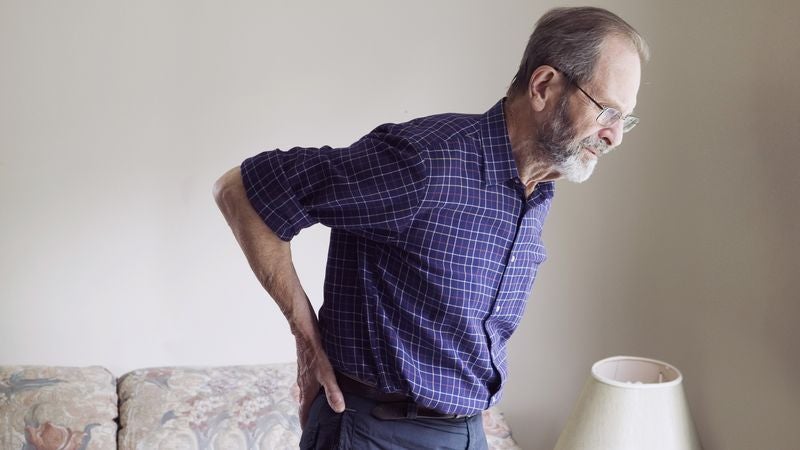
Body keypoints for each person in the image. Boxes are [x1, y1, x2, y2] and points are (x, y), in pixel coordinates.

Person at [214, 6, 648, 449]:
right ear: (543, 86)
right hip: (374, 430)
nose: (614, 136)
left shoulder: (537, 190)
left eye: (624, 119)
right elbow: (242, 191)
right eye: (607, 111)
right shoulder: (423, 163)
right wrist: (306, 341)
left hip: (465, 431)